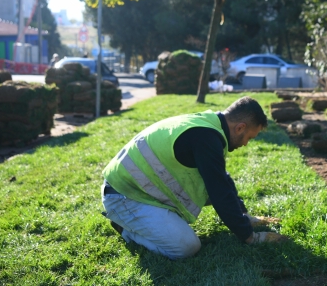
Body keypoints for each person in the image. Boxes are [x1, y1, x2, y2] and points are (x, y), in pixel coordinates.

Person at [101, 96, 287, 259]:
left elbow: (221, 179)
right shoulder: (206, 137)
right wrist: (250, 237)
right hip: (124, 196)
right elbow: (219, 192)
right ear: (240, 128)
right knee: (186, 247)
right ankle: (127, 230)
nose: (246, 144)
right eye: (249, 138)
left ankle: (146, 220)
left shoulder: (210, 125)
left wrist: (245, 217)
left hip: (141, 189)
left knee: (219, 180)